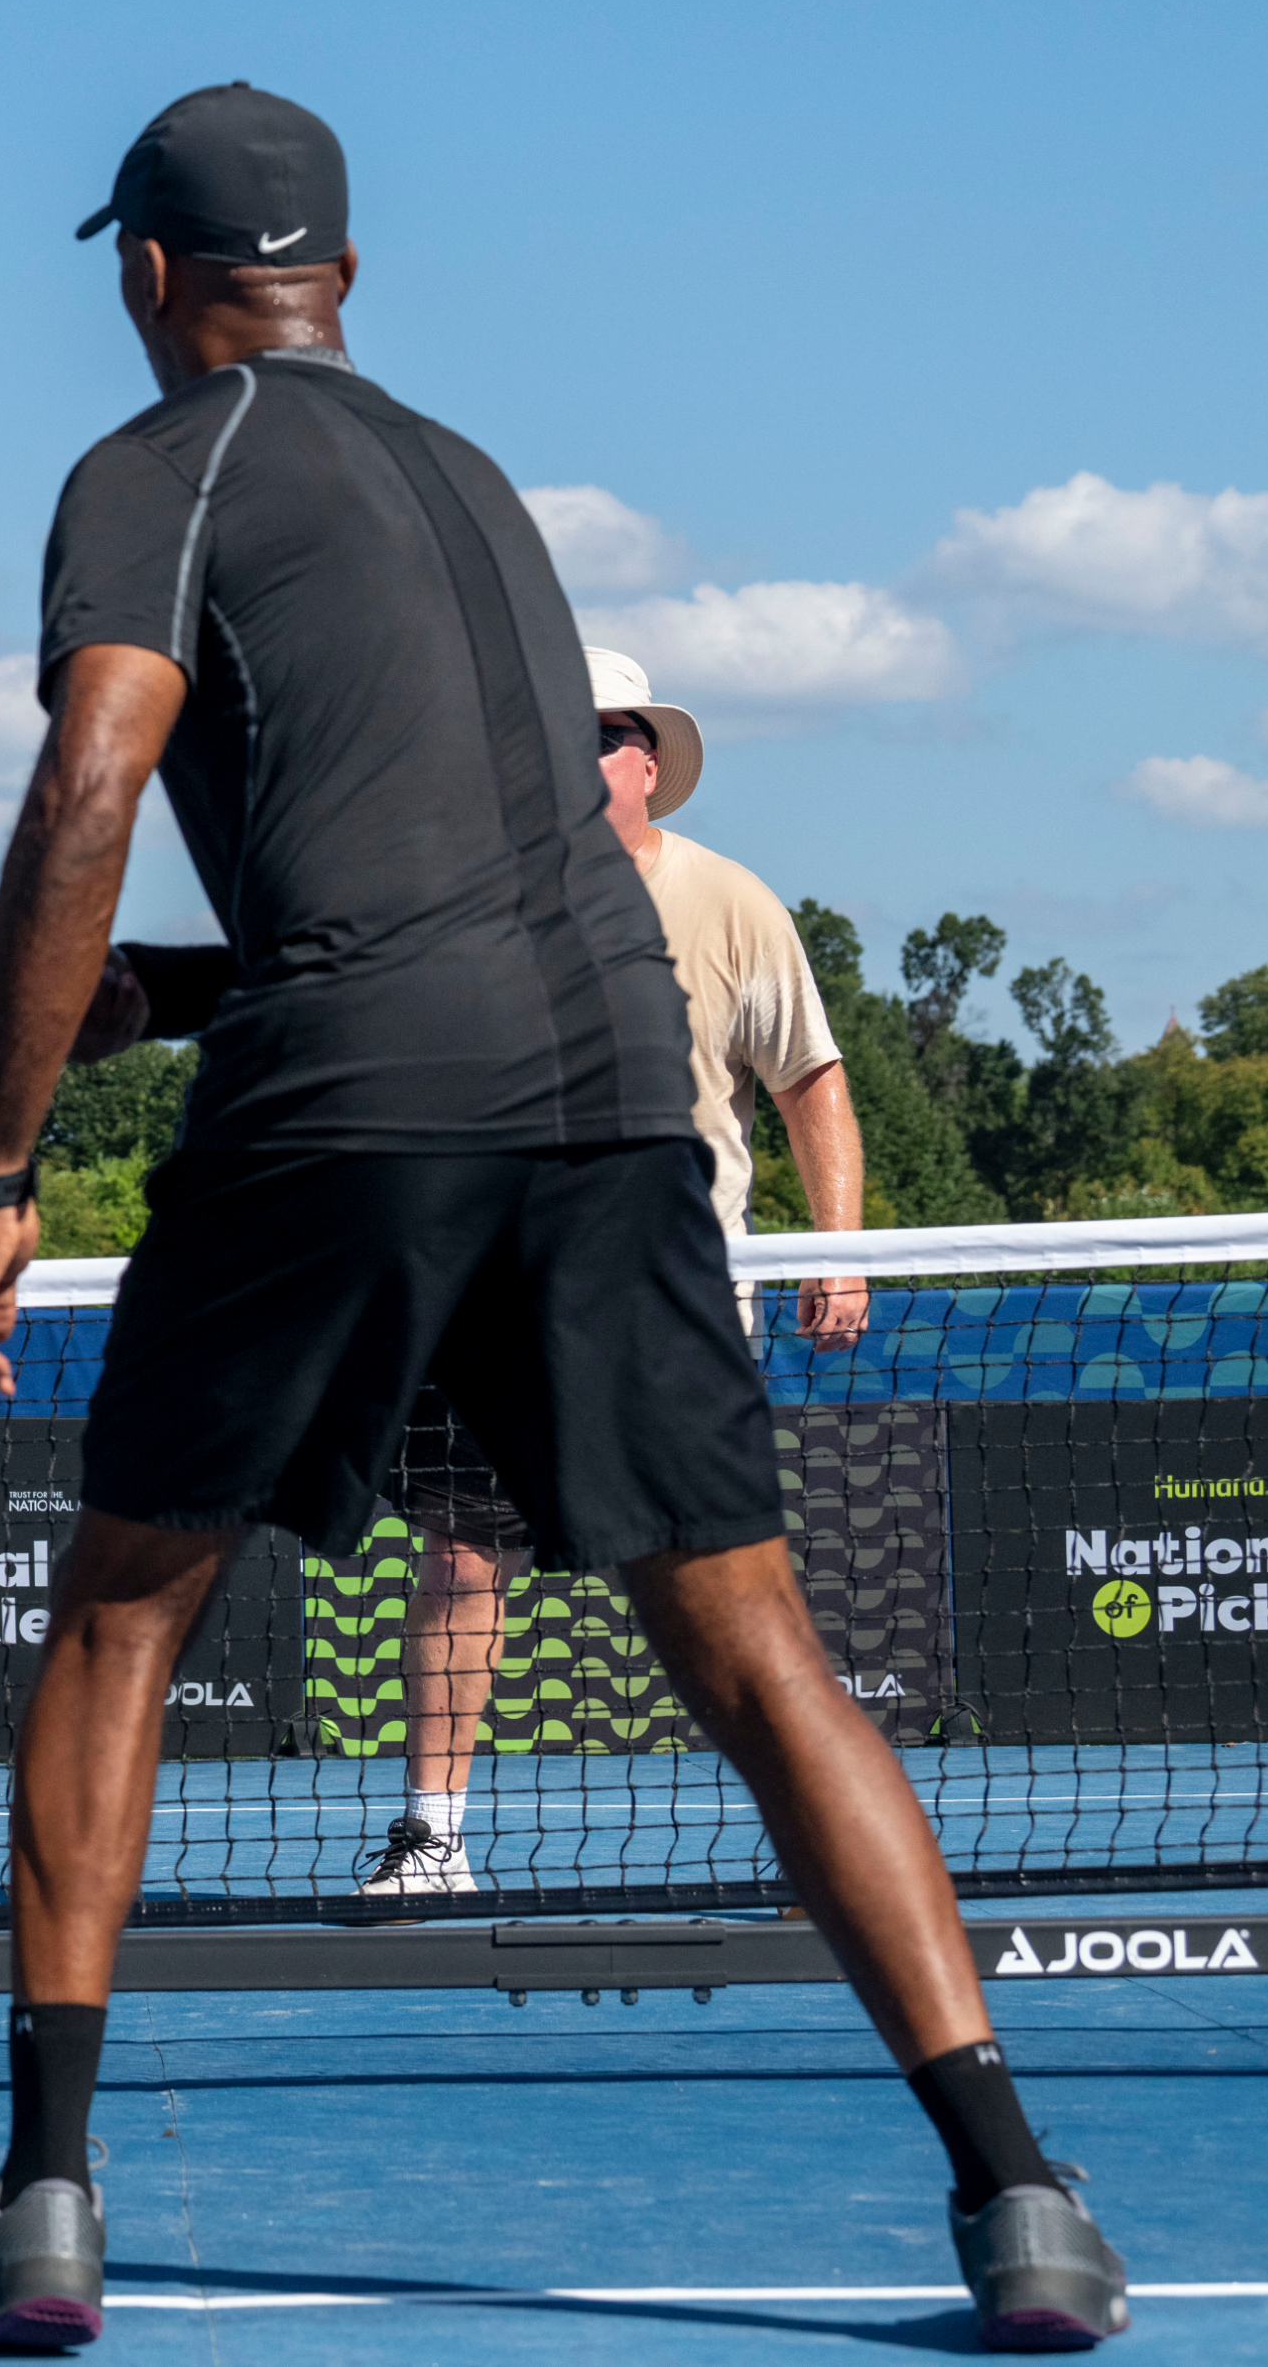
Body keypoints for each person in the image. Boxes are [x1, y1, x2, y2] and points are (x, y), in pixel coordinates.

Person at [0, 88, 1125, 2352]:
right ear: (344, 277)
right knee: (759, 1658)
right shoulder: (476, 486)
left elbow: (92, 777)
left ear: (149, 275)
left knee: (121, 1622)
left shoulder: (155, 468)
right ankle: (1022, 2196)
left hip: (354, 1103)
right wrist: (162, 996)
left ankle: (46, 2203)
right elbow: (409, 896)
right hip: (611, 1097)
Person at [359, 641, 878, 1896]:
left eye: (595, 733)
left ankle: (816, 1830)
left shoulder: (731, 901)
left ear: (645, 761)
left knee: (719, 1577)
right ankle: (432, 1836)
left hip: (671, 1302)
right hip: (491, 1303)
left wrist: (842, 1251)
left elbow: (811, 1083)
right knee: (460, 1559)